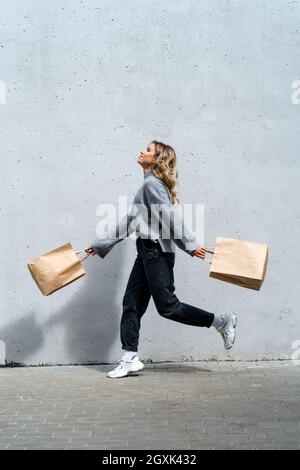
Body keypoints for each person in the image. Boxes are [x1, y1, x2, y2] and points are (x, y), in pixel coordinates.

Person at [85, 140, 237, 379]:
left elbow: (170, 217)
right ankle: (129, 357)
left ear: (156, 159)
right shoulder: (148, 185)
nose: (142, 151)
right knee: (131, 304)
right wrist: (99, 245)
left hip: (155, 251)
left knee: (168, 307)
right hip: (147, 251)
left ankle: (221, 322)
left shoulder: (152, 185)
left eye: (147, 150)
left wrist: (190, 245)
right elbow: (130, 221)